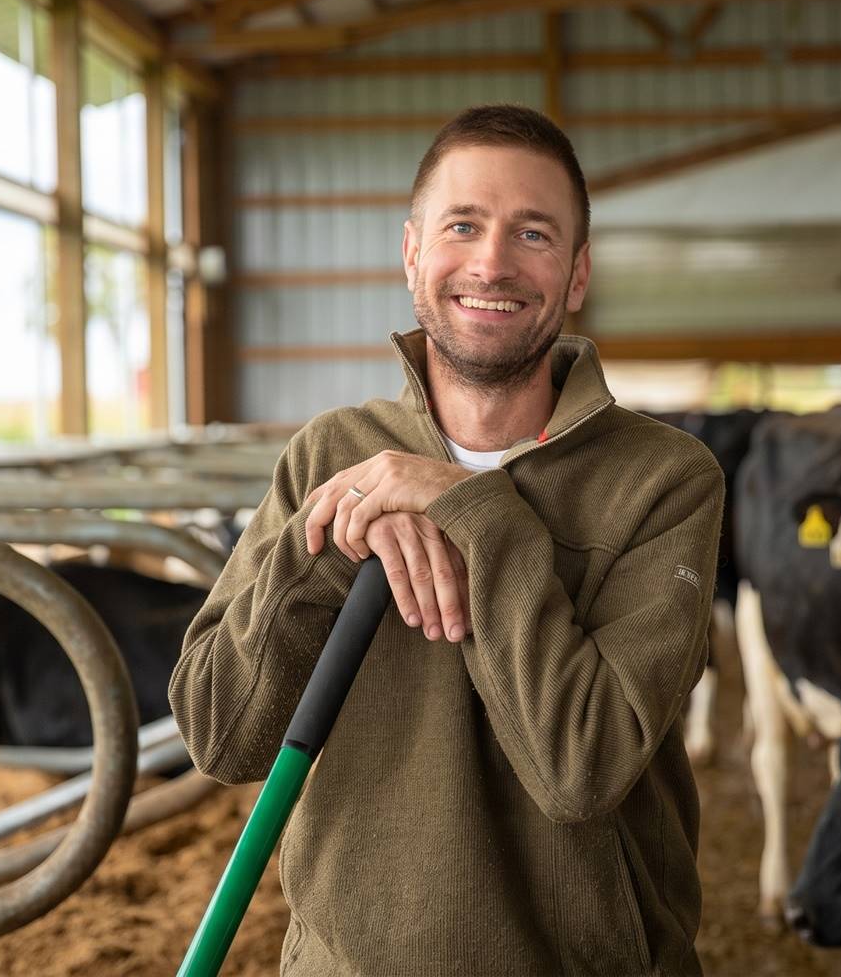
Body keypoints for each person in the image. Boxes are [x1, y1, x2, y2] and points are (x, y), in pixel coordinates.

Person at [169, 104, 725, 975]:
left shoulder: (663, 480)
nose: (493, 262)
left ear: (577, 274)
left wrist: (475, 511)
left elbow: (584, 766)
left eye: (533, 234)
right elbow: (218, 732)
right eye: (463, 225)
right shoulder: (331, 455)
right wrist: (332, 538)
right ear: (413, 255)